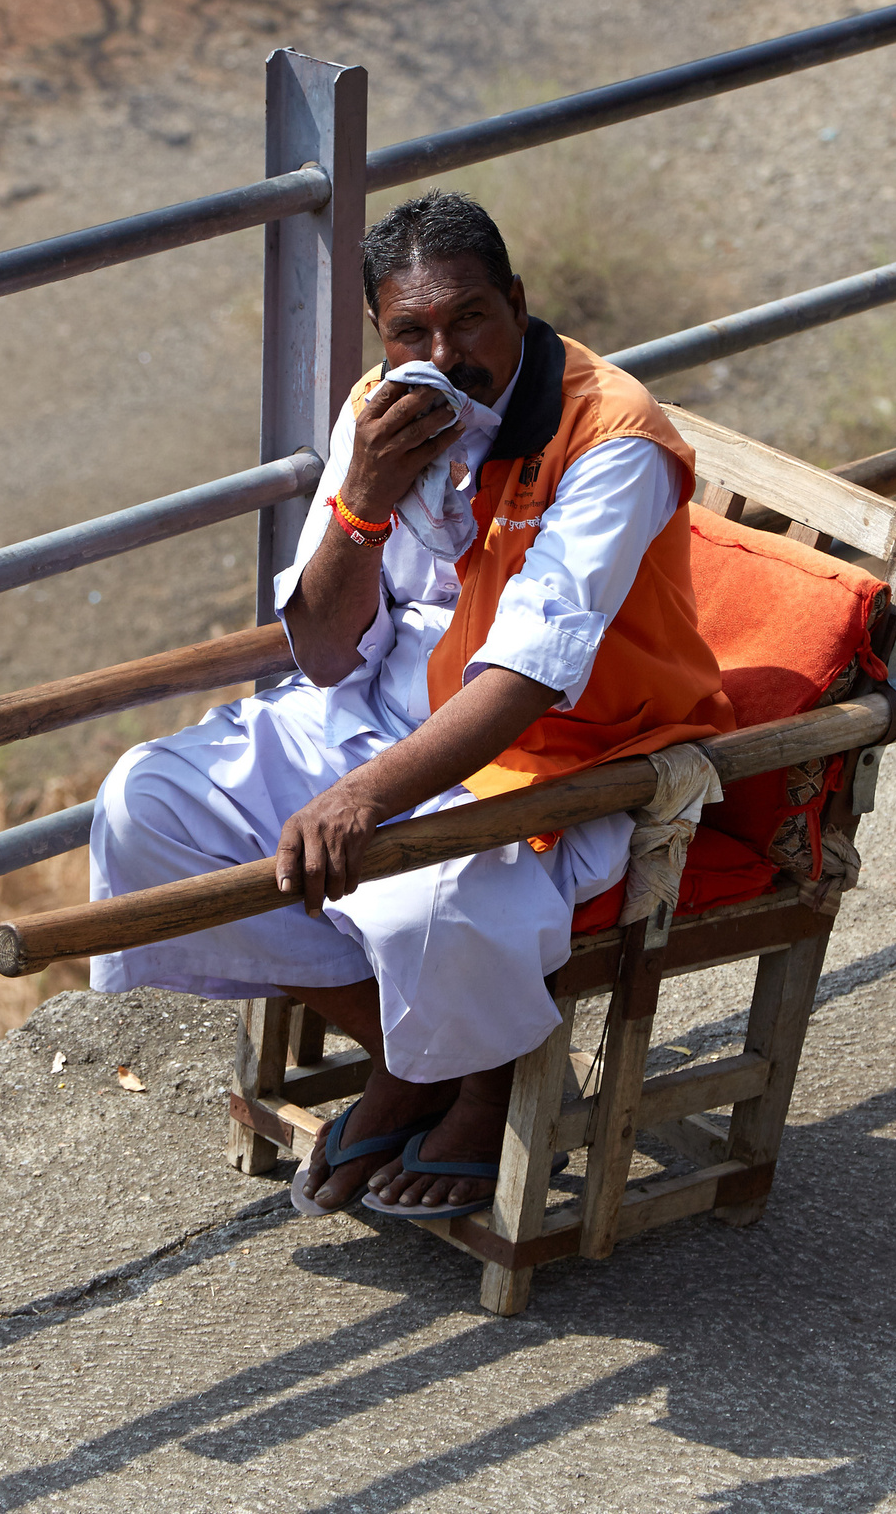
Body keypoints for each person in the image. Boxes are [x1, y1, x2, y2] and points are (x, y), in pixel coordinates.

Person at [88, 190, 733, 1218]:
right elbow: (325, 652)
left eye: (469, 318)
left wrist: (363, 799)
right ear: (381, 332)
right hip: (375, 715)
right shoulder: (377, 411)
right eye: (410, 331)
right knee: (145, 807)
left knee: (411, 900)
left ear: (516, 301)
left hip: (549, 753)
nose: (444, 353)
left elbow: (526, 680)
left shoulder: (611, 436)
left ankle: (470, 1082)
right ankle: (424, 1060)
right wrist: (364, 502)